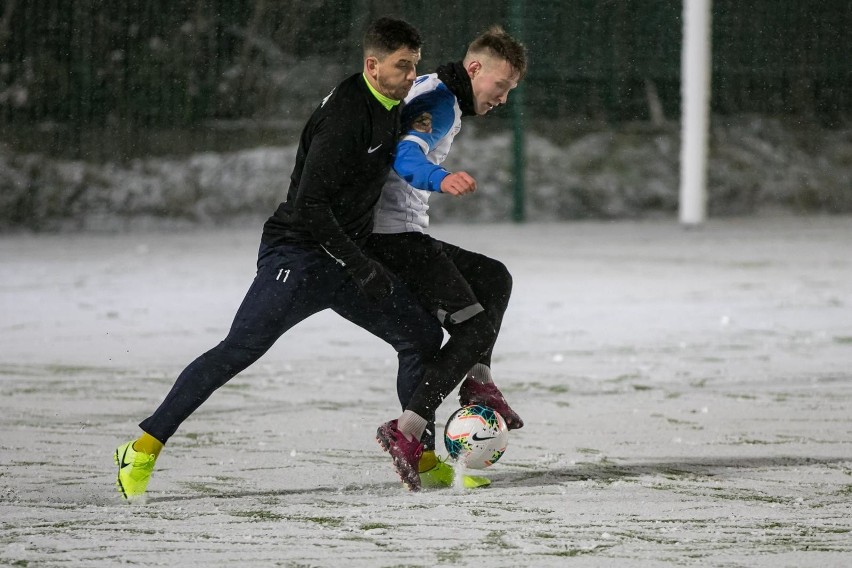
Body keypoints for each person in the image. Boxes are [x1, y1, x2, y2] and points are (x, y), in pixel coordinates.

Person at [114, 17, 442, 499]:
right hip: (301, 254)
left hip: (345, 259)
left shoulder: (390, 102)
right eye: (402, 66)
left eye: (415, 66)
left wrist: (413, 125)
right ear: (372, 65)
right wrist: (361, 264)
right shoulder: (346, 115)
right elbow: (310, 207)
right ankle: (141, 447)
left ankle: (422, 456)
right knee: (240, 349)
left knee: (420, 335)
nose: (411, 75)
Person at [369, 26, 528, 489]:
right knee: (473, 326)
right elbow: (407, 154)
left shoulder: (438, 89)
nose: (501, 100)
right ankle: (406, 432)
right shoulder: (439, 100)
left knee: (494, 277)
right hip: (392, 237)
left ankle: (478, 380)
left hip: (404, 232)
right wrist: (440, 179)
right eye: (500, 87)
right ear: (474, 69)